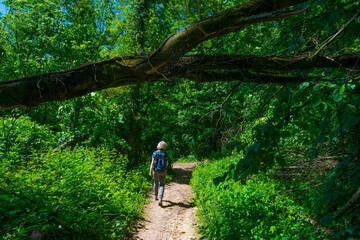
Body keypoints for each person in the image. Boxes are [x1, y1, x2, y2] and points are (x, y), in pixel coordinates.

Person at [149, 141, 168, 206]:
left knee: (156, 182)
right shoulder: (165, 154)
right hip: (163, 170)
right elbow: (166, 163)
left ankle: (155, 196)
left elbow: (152, 162)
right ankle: (160, 198)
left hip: (156, 170)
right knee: (162, 184)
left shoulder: (155, 153)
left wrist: (150, 171)